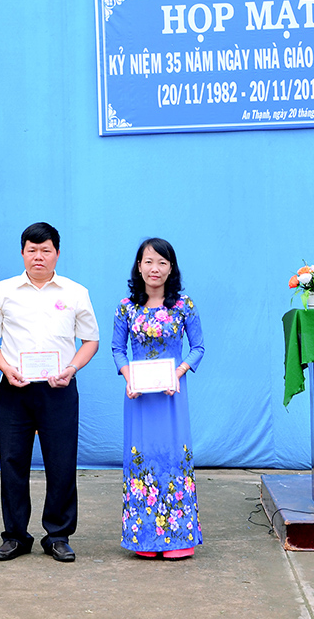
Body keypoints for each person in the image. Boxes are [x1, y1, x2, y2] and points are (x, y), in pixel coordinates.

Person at [0, 222, 99, 563]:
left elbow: (90, 340)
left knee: (61, 462)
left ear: (57, 254)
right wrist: (6, 368)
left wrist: (71, 369)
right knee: (12, 461)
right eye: (32, 250)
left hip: (58, 388)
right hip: (15, 388)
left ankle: (58, 535)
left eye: (46, 250)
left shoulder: (75, 292)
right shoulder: (2, 291)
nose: (38, 256)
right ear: (22, 253)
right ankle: (15, 535)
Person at [110, 238, 204, 560]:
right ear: (139, 266)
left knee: (174, 457)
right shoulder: (126, 307)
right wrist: (129, 377)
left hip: (171, 395)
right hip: (138, 397)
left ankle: (178, 538)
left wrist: (178, 372)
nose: (155, 268)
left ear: (171, 268)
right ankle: (144, 538)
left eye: (162, 262)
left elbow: (198, 348)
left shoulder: (184, 305)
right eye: (149, 261)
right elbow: (117, 349)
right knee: (143, 456)